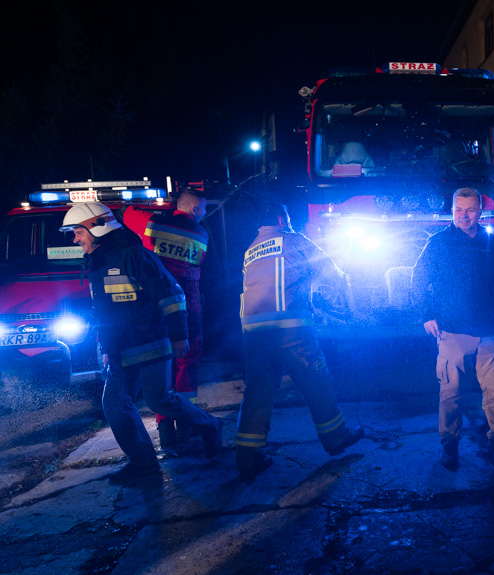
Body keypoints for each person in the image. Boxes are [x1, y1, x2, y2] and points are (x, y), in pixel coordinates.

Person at [60, 202, 222, 483]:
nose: (75, 239)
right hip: (121, 349)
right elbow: (107, 313)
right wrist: (108, 349)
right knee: (114, 403)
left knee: (159, 399)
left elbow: (171, 295)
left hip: (151, 343)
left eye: (77, 232)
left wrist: (179, 335)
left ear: (97, 228)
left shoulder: (134, 256)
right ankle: (144, 463)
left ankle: (210, 425)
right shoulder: (97, 264)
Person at [236, 203, 364, 480]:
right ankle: (337, 438)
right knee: (316, 382)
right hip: (290, 331)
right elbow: (328, 273)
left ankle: (247, 456)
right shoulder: (293, 239)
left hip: (253, 333)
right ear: (282, 218)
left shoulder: (251, 249)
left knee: (258, 393)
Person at [411, 187, 494, 471]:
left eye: (469, 210)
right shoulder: (439, 243)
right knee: (451, 392)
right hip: (453, 330)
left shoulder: (492, 242)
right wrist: (426, 313)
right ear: (452, 210)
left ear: (480, 211)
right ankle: (450, 444)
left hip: (488, 330)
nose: (463, 216)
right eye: (458, 210)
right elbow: (418, 279)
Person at [124, 188, 209, 447]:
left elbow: (125, 213)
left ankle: (164, 427)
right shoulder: (202, 234)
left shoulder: (154, 224)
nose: (204, 214)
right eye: (203, 210)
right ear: (194, 210)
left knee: (163, 366)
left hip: (158, 310)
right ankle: (187, 422)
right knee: (188, 364)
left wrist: (145, 206)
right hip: (190, 311)